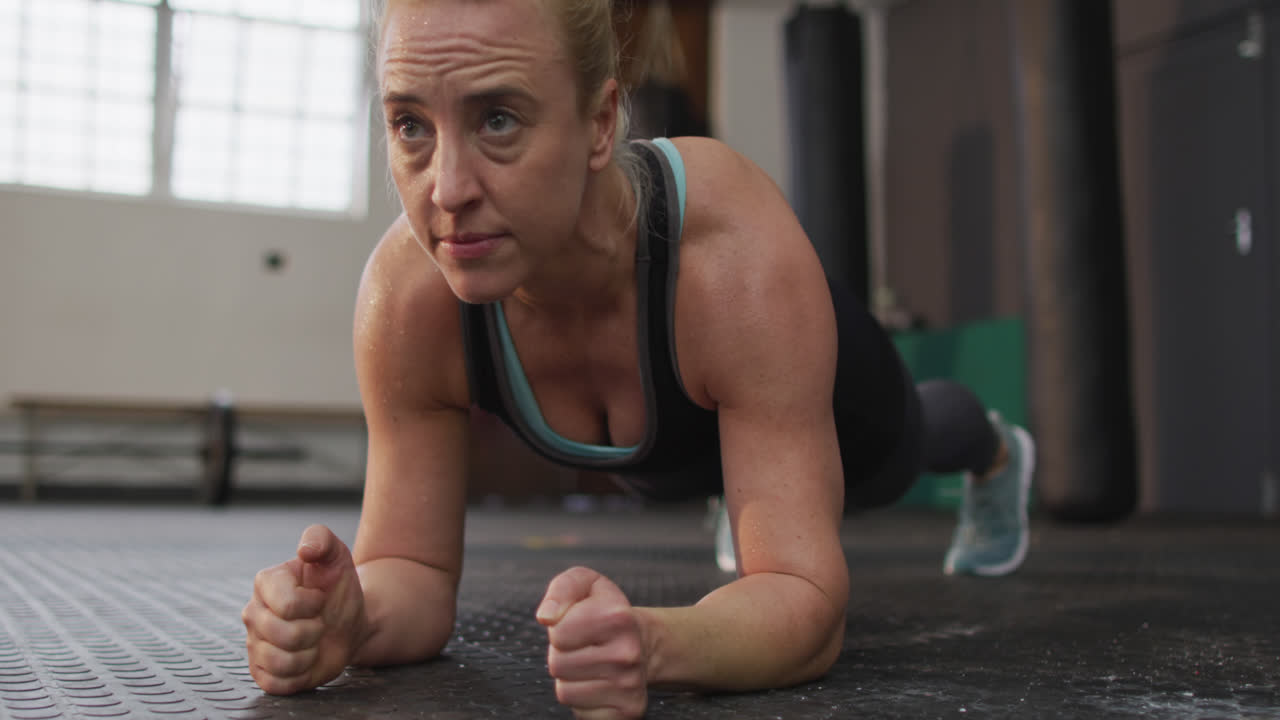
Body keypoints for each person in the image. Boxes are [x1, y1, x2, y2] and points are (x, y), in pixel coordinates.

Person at [240, 0, 1036, 717]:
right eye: (411, 124)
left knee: (909, 451)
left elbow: (806, 603)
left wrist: (653, 644)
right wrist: (348, 619)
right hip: (678, 448)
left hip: (842, 412)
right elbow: (408, 569)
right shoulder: (408, 300)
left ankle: (996, 451)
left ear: (599, 122)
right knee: (728, 481)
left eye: (499, 121)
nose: (446, 190)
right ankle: (747, 479)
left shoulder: (729, 262)